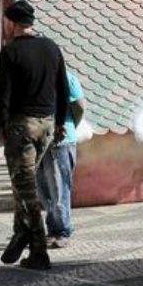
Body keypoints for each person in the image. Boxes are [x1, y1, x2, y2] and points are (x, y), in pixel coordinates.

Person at [0, 0, 69, 271]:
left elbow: (2, 97)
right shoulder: (52, 48)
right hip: (46, 126)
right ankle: (19, 232)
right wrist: (59, 124)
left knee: (27, 190)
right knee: (23, 185)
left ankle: (38, 250)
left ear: (12, 22)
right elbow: (63, 89)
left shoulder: (10, 52)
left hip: (21, 127)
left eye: (5, 23)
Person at [36, 70, 85, 249]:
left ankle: (62, 230)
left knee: (59, 189)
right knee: (45, 189)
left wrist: (70, 125)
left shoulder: (67, 77)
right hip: (40, 140)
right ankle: (53, 228)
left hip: (61, 140)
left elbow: (80, 106)